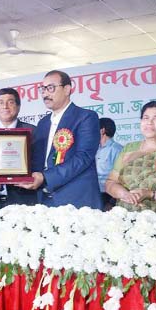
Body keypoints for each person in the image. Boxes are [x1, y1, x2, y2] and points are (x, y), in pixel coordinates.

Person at [20, 70, 103, 209]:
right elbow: (37, 160)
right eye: (42, 89)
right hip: (44, 200)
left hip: (76, 200)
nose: (45, 93)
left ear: (67, 89)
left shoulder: (86, 117)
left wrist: (45, 177)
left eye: (50, 88)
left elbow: (83, 158)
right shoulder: (43, 123)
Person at [96, 117, 123, 210]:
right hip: (94, 194)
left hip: (108, 197)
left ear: (102, 130)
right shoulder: (95, 149)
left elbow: (121, 177)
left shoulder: (117, 150)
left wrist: (112, 202)